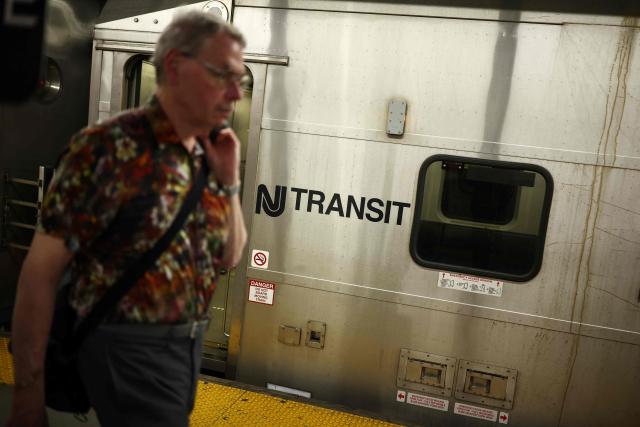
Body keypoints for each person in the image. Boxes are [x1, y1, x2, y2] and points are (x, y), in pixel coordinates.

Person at [7, 11, 248, 427]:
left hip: (183, 346)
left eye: (239, 81)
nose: (233, 94)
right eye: (220, 75)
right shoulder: (108, 150)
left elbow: (228, 256)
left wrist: (229, 183)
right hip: (127, 346)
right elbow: (40, 274)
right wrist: (28, 397)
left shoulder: (204, 156)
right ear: (174, 67)